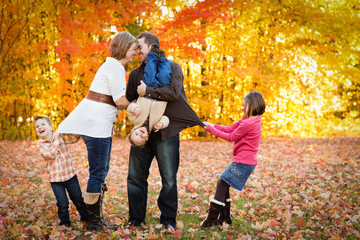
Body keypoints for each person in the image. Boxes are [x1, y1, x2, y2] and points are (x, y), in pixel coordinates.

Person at [57, 31, 137, 230]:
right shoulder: (115, 67)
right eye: (133, 48)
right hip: (97, 127)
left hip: (98, 126)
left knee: (100, 171)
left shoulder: (111, 66)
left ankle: (93, 217)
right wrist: (141, 97)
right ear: (124, 47)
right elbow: (120, 101)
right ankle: (93, 222)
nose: (136, 52)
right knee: (98, 173)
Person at [125, 31, 205, 231]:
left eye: (139, 48)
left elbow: (173, 93)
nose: (137, 52)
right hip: (141, 134)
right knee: (135, 177)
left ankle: (167, 221)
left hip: (165, 133)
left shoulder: (173, 67)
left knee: (168, 179)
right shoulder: (135, 74)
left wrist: (148, 92)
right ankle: (136, 220)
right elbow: (130, 98)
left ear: (151, 47)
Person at [200, 91, 266, 228]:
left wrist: (210, 130)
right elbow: (230, 129)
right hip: (244, 161)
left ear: (253, 106)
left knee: (222, 183)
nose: (242, 108)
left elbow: (230, 137)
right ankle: (225, 218)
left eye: (244, 105)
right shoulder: (249, 120)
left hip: (243, 162)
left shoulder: (249, 123)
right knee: (224, 184)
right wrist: (211, 125)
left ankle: (212, 219)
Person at [34, 115, 88, 228]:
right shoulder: (40, 145)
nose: (40, 127)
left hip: (70, 175)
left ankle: (87, 218)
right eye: (37, 126)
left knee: (78, 199)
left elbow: (74, 139)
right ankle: (65, 224)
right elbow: (50, 154)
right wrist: (57, 139)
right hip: (55, 179)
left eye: (43, 124)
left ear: (51, 127)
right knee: (62, 203)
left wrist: (70, 128)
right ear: (36, 132)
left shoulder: (61, 136)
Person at [127, 43, 171, 147]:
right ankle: (163, 59)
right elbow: (166, 118)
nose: (140, 134)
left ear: (133, 130)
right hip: (160, 95)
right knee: (165, 75)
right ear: (147, 137)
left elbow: (129, 107)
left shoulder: (134, 119)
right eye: (142, 137)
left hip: (146, 90)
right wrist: (162, 124)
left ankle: (153, 54)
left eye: (136, 134)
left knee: (150, 71)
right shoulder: (154, 126)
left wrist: (135, 109)